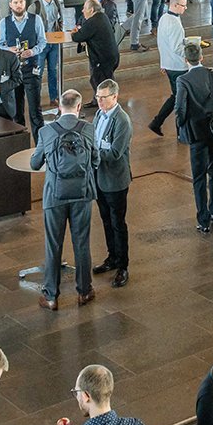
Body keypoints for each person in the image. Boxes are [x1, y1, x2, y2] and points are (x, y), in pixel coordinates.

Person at [31, 89, 100, 311]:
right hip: (82, 194)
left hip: (54, 195)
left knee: (53, 244)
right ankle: (84, 291)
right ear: (79, 107)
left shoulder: (46, 131)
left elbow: (34, 164)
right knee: (82, 243)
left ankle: (51, 296)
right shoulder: (88, 129)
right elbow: (96, 160)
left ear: (59, 107)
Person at [176, 40, 213, 233]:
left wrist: (182, 124)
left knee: (198, 176)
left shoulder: (183, 81)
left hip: (196, 133)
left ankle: (203, 219)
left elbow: (180, 108)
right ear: (201, 57)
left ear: (186, 60)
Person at [89, 80, 133, 289]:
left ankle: (123, 266)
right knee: (106, 220)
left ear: (115, 97)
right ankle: (112, 257)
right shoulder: (99, 114)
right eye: (98, 96)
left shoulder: (122, 120)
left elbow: (115, 153)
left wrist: (92, 154)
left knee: (118, 223)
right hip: (99, 178)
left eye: (104, 97)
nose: (99, 101)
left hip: (115, 180)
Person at [0, 0, 46, 135]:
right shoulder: (4, 22)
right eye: (16, 3)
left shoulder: (36, 19)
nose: (19, 5)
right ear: (10, 5)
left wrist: (32, 51)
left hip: (32, 69)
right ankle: (20, 142)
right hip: (13, 71)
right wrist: (9, 50)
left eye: (21, 2)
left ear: (25, 3)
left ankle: (40, 147)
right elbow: (0, 44)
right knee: (16, 111)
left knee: (35, 110)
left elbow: (43, 41)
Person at [146, 0, 188, 135]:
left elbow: (162, 43)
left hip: (169, 64)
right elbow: (177, 47)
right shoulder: (174, 23)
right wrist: (192, 55)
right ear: (175, 5)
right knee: (181, 100)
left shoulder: (164, 18)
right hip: (177, 66)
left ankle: (157, 122)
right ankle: (179, 131)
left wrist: (163, 63)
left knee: (176, 96)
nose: (185, 8)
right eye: (183, 6)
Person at [72, 0, 120, 93]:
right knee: (104, 82)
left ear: (91, 10)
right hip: (111, 57)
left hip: (103, 60)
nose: (82, 11)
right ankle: (100, 101)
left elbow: (77, 37)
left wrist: (74, 33)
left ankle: (105, 103)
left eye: (84, 8)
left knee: (100, 84)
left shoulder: (93, 21)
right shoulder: (102, 16)